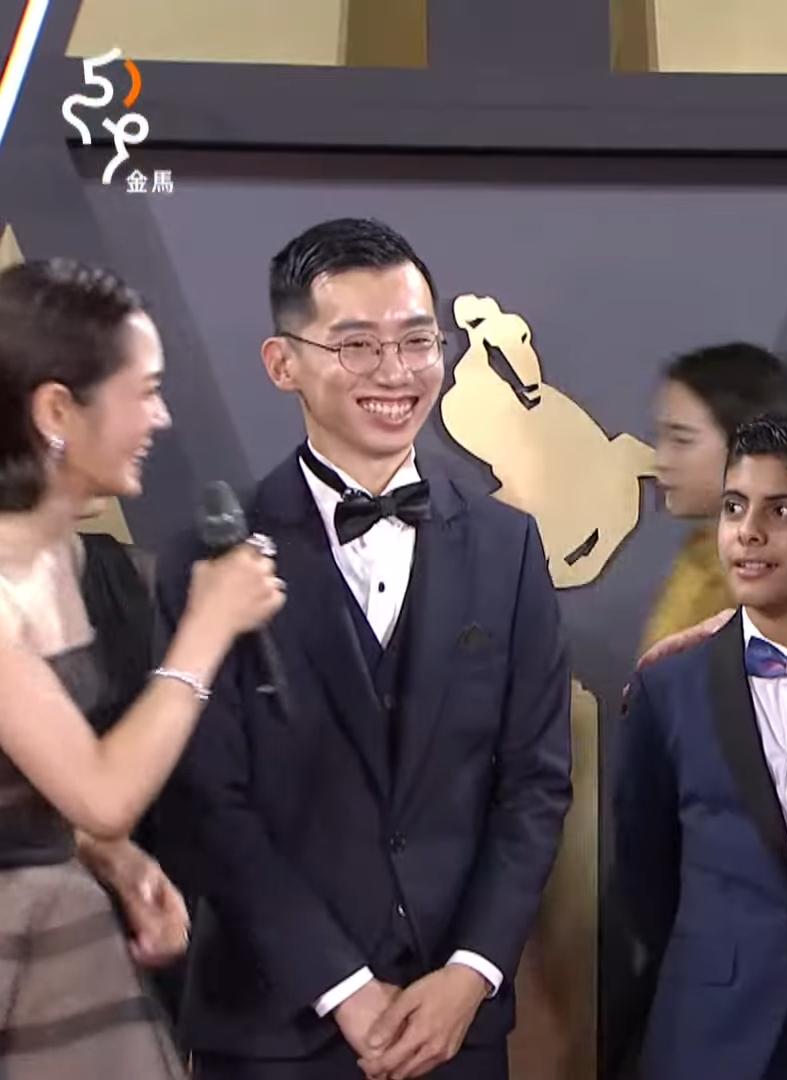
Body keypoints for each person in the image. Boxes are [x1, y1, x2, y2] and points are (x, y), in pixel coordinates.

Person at [154, 218, 573, 1080]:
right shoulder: (210, 554)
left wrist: (472, 972)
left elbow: (534, 783)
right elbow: (206, 801)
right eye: (356, 345)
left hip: (452, 1027)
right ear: (283, 363)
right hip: (272, 1029)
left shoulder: (508, 547)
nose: (395, 371)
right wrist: (341, 985)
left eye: (417, 341)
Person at [0, 258, 284, 1076]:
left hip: (64, 945)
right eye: (146, 391)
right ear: (57, 410)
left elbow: (46, 798)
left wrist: (109, 856)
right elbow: (101, 792)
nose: (162, 416)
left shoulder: (74, 561)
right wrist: (208, 627)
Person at [616, 412, 787, 1080]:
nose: (748, 533)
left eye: (783, 511)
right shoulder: (667, 688)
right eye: (734, 507)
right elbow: (645, 875)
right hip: (709, 1032)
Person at [639, 343, 787, 659]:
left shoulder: (785, 591)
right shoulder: (701, 554)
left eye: (682, 440)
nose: (661, 460)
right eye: (661, 437)